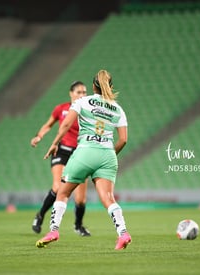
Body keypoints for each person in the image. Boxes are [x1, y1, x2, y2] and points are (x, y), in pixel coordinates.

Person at [36, 69, 131, 250]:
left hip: (85, 151)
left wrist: (55, 143)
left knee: (63, 193)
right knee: (108, 198)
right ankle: (123, 233)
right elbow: (123, 140)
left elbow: (66, 124)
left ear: (93, 86)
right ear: (109, 87)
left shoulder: (83, 101)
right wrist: (109, 155)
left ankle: (54, 230)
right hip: (107, 155)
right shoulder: (118, 109)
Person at [30, 81, 91, 236]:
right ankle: (40, 215)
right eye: (79, 92)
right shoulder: (61, 109)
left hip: (81, 154)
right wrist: (39, 136)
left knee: (81, 199)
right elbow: (48, 125)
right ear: (71, 93)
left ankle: (78, 226)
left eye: (84, 92)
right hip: (62, 151)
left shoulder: (89, 110)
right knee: (58, 187)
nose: (82, 95)